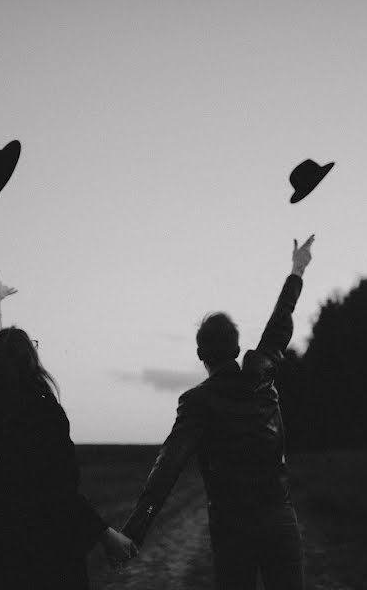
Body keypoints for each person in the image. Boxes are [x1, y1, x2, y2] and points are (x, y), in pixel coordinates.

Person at [0, 272, 137, 589]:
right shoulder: (43, 413)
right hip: (35, 555)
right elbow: (59, 492)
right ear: (30, 361)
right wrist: (106, 535)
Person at [121, 235, 315, 590]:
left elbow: (168, 467)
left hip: (233, 530)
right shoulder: (265, 370)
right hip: (279, 519)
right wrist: (298, 268)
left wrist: (134, 531)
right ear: (238, 347)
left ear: (200, 355)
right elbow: (281, 319)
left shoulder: (196, 403)